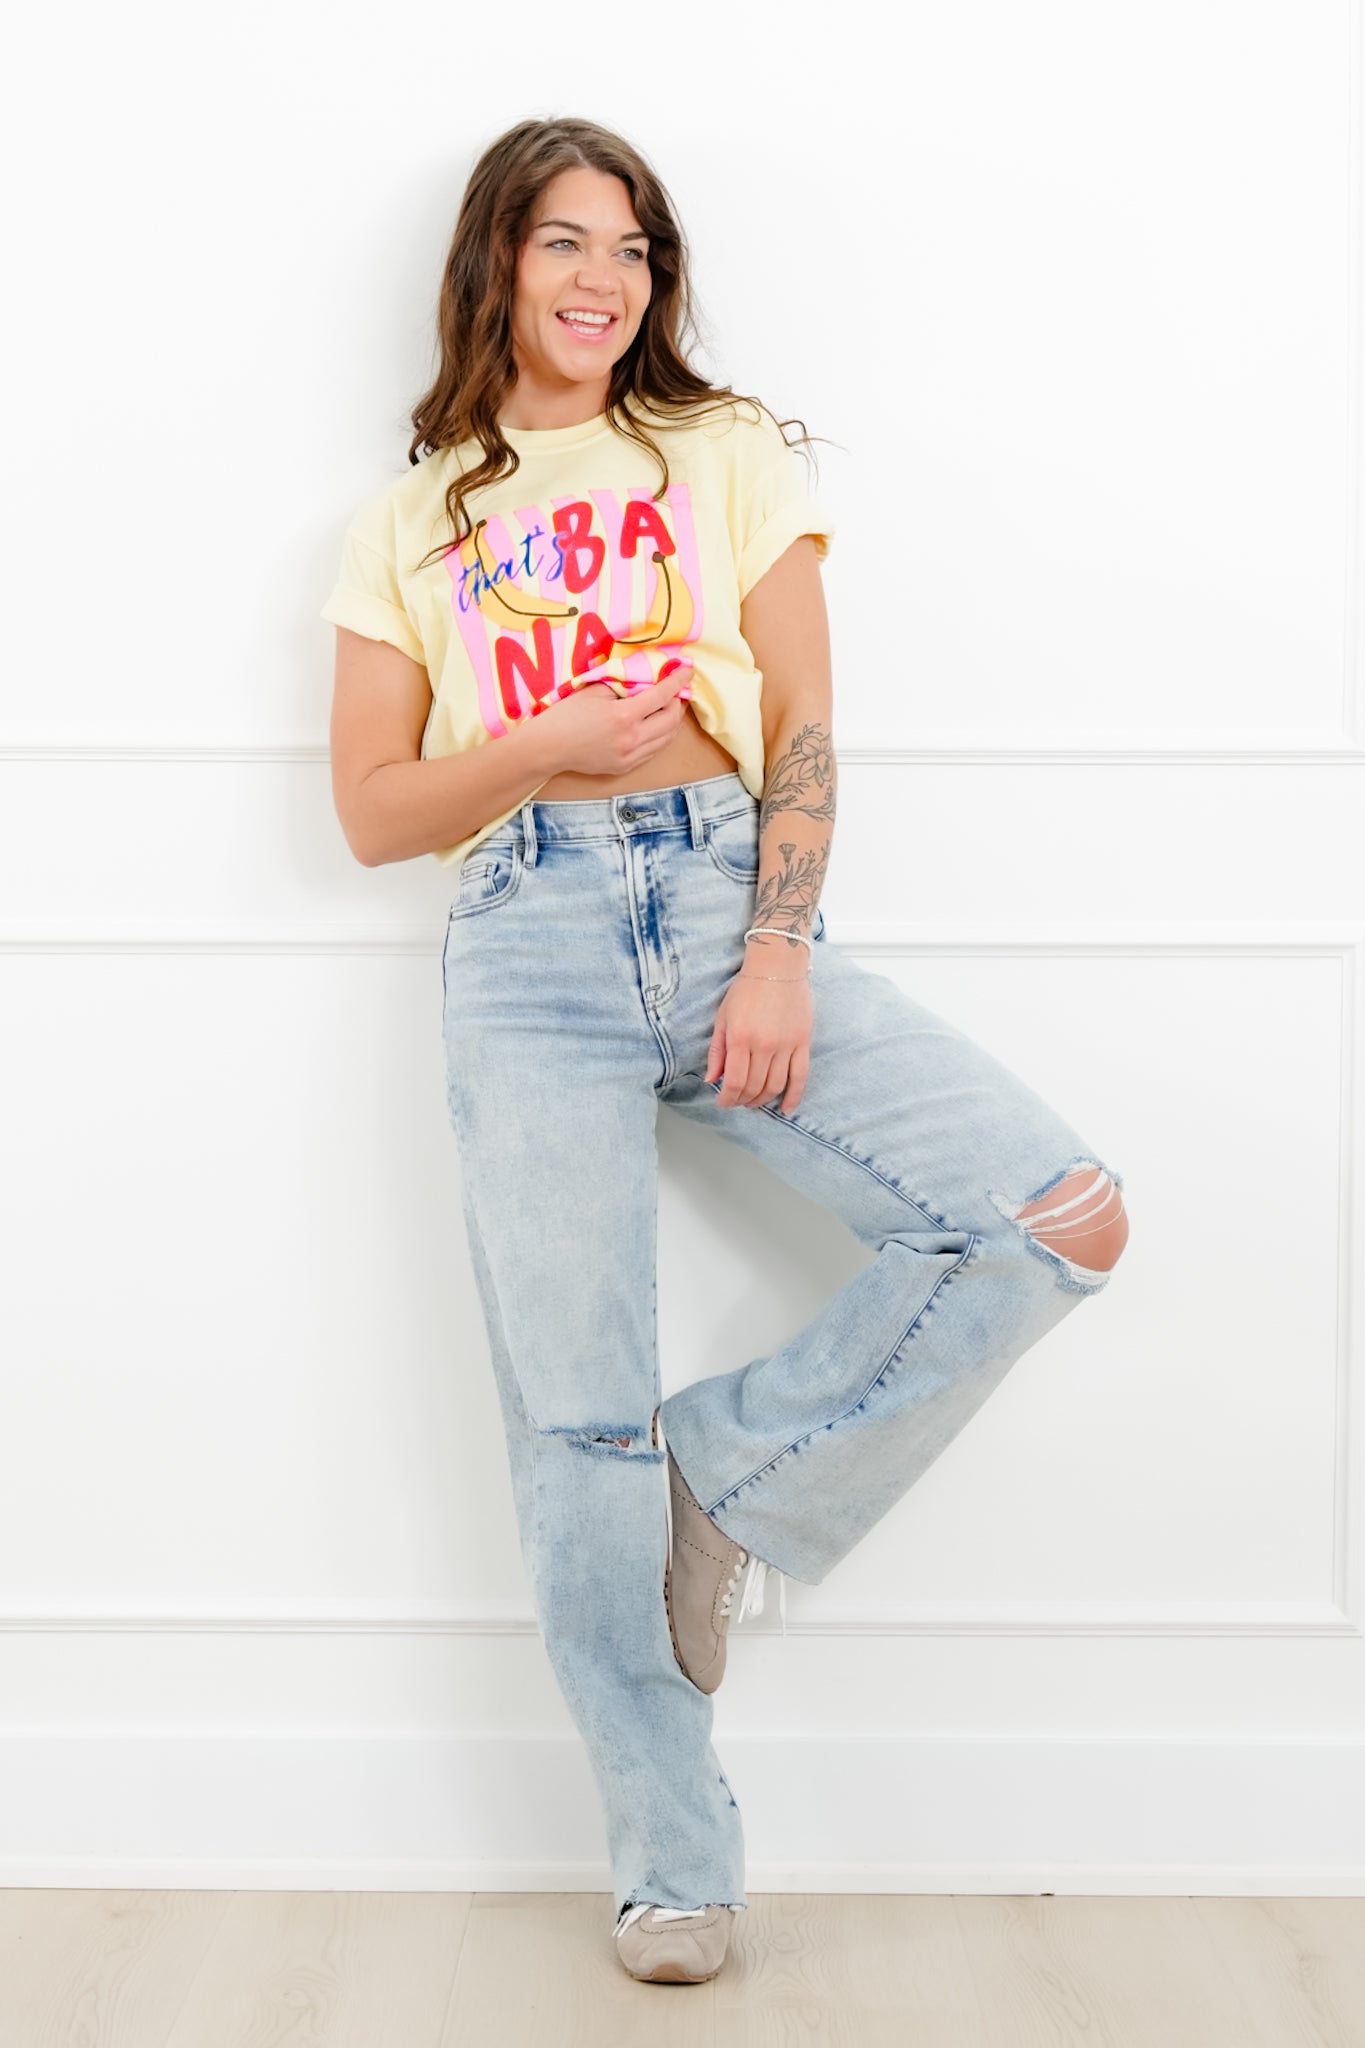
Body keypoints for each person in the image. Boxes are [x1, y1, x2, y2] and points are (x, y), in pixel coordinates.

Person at [321, 115, 1131, 1988]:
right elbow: (370, 810)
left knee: (1053, 1212)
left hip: (716, 898)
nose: (603, 279)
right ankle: (669, 1866)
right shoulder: (414, 515)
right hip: (520, 934)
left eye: (632, 248)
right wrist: (543, 746)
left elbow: (807, 725)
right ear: (496, 262)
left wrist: (776, 945)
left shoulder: (722, 449)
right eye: (564, 242)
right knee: (569, 1418)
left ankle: (721, 1481)